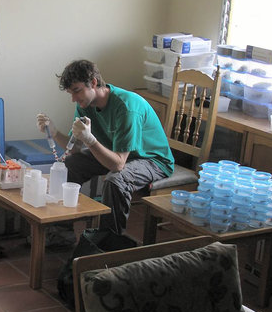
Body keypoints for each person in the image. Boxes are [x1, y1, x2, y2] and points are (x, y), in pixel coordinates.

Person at [36, 59, 174, 233]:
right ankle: (61, 232)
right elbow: (75, 149)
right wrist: (55, 132)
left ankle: (109, 243)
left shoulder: (126, 107)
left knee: (116, 180)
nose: (73, 99)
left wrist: (91, 140)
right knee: (70, 165)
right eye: (70, 93)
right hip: (119, 155)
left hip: (151, 160)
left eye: (77, 91)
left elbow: (117, 165)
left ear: (93, 82)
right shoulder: (85, 105)